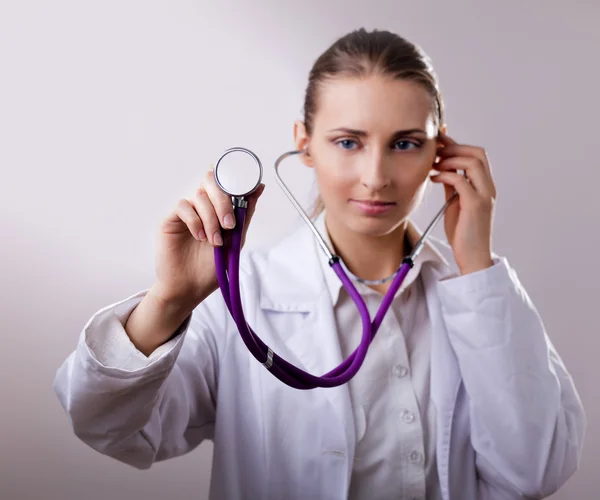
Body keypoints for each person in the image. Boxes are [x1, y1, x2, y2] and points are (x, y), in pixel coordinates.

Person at [53, 28, 586, 500]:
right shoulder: (241, 300)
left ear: (439, 153)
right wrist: (169, 300)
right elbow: (108, 427)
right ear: (304, 145)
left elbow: (535, 472)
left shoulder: (481, 297)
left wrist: (477, 265)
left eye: (405, 143)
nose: (376, 176)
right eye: (348, 141)